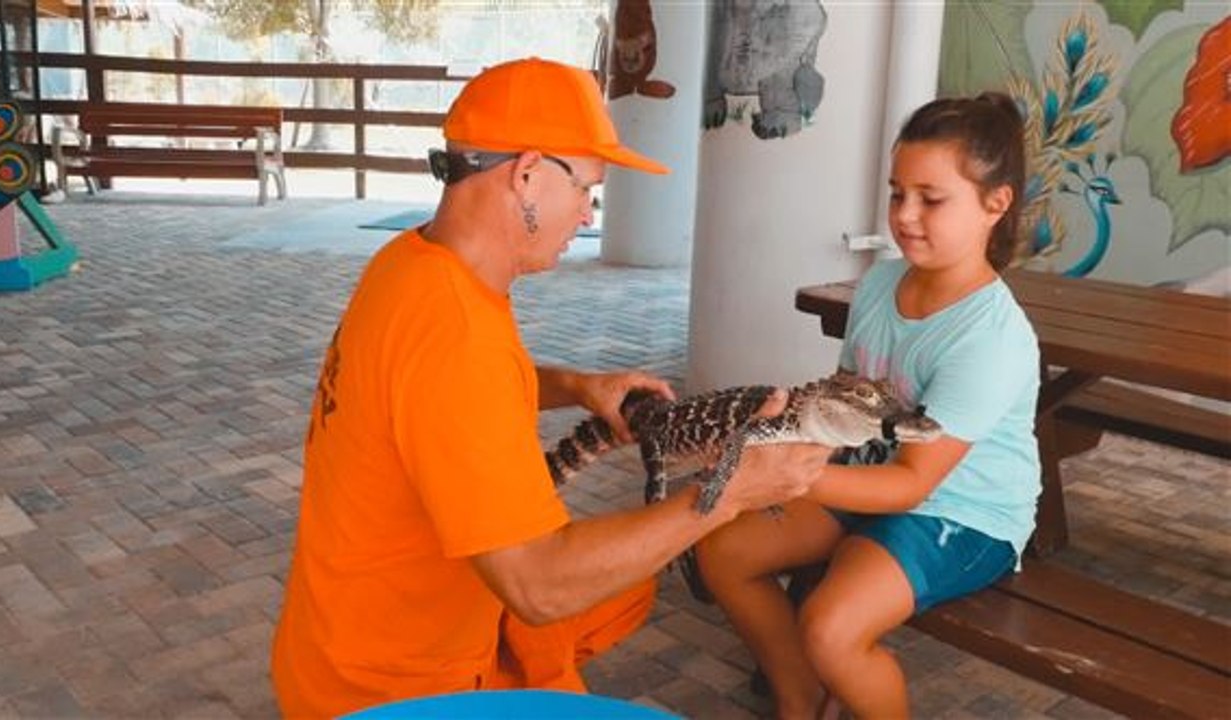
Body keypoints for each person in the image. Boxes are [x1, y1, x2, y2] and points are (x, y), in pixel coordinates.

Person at [270, 57, 833, 719]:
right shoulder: (455, 329)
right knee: (593, 588)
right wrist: (730, 490)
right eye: (587, 188)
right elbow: (537, 585)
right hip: (396, 689)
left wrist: (576, 385)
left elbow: (433, 394)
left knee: (623, 588)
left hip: (335, 645)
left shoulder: (411, 265)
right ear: (528, 174)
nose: (588, 211)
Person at [696, 92, 1041, 720]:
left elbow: (912, 487)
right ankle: (798, 696)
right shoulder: (882, 282)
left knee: (831, 628)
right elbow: (847, 403)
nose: (905, 216)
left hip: (961, 514)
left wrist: (788, 475)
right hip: (867, 478)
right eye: (896, 192)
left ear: (997, 204)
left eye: (931, 199)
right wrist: (777, 438)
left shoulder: (989, 338)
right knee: (723, 550)